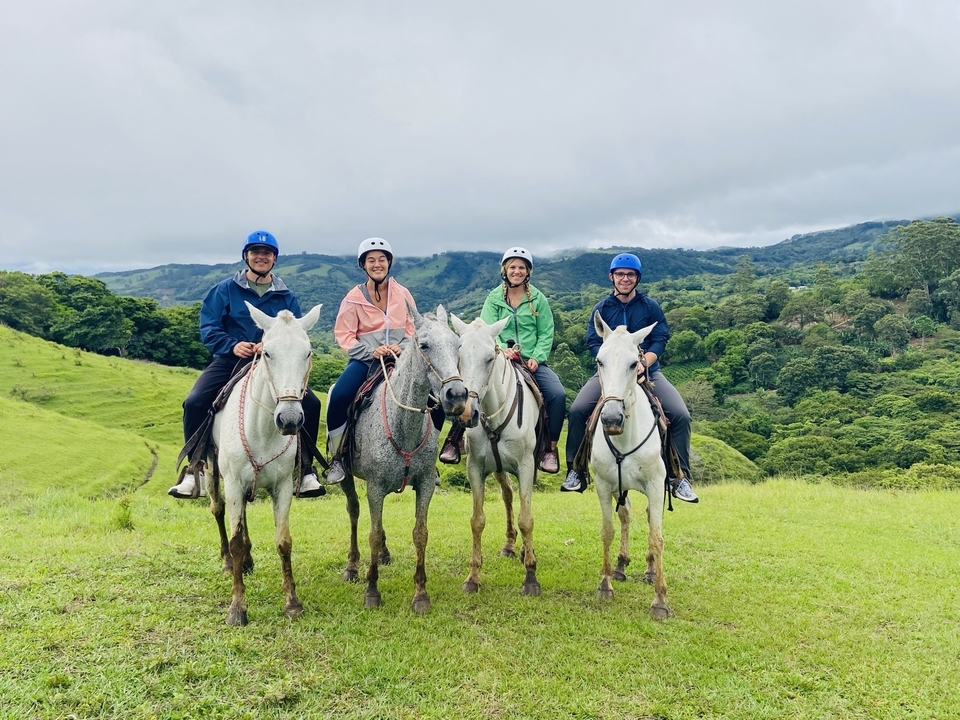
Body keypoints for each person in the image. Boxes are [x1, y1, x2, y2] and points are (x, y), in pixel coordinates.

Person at [169, 230, 324, 499]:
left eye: (267, 253)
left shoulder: (286, 295)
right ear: (246, 257)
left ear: (274, 259)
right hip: (232, 359)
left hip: (272, 364)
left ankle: (305, 471)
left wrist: (272, 345)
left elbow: (295, 332)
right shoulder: (224, 290)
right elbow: (209, 326)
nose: (261, 257)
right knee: (194, 402)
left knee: (311, 403)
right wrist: (232, 345)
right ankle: (196, 471)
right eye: (255, 253)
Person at [560, 253, 698, 503]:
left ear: (637, 278)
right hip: (611, 374)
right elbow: (593, 340)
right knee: (579, 410)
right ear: (611, 277)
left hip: (648, 372)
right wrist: (611, 361)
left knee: (680, 415)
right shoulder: (601, 309)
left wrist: (644, 363)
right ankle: (576, 470)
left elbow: (660, 338)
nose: (625, 278)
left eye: (630, 274)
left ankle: (680, 477)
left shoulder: (649, 306)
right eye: (620, 274)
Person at [325, 238, 445, 484]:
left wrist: (400, 348)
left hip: (402, 360)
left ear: (389, 263)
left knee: (437, 401)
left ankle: (428, 459)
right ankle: (338, 458)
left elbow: (414, 328)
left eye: (382, 259)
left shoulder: (403, 294)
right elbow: (344, 335)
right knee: (338, 397)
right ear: (363, 265)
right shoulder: (352, 298)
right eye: (371, 260)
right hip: (366, 361)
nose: (377, 264)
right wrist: (371, 352)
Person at [439, 247, 565, 472]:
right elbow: (487, 331)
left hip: (530, 362)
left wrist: (537, 356)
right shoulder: (494, 298)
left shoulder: (538, 299)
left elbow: (546, 332)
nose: (517, 271)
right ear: (505, 271)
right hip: (499, 358)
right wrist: (500, 350)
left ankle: (549, 449)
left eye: (521, 268)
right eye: (512, 267)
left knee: (557, 394)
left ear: (528, 272)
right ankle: (454, 440)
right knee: (470, 386)